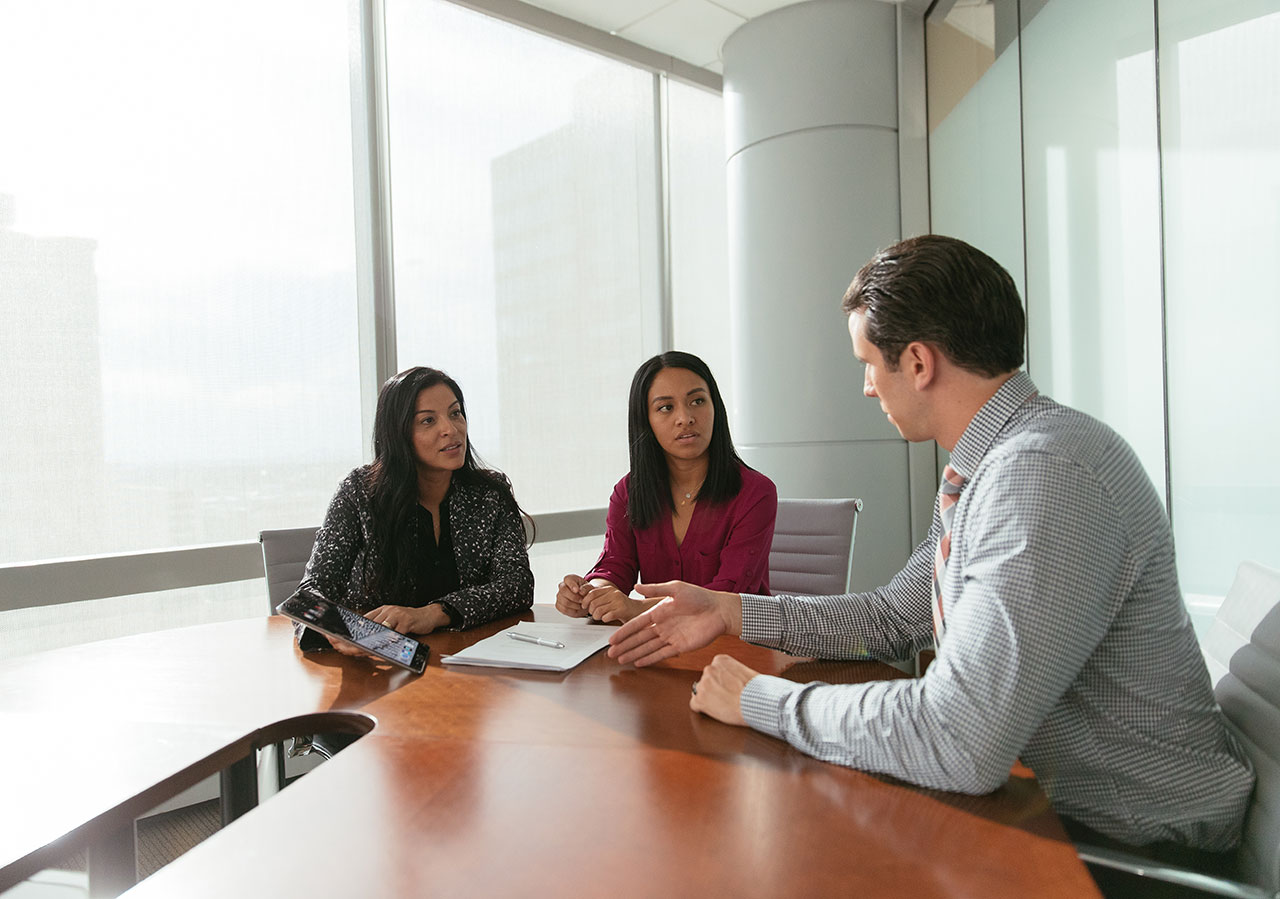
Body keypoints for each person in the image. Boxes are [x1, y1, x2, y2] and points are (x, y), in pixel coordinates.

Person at [607, 236, 1254, 856]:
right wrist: (729, 610)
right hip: (1047, 803)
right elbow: (893, 616)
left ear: (917, 362)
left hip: (1129, 844)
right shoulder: (988, 468)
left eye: (868, 364)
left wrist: (759, 699)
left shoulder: (1043, 473)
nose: (867, 388)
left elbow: (959, 736)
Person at [295, 366, 533, 654]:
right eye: (428, 420)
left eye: (455, 413)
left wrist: (432, 614)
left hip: (471, 661)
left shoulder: (490, 493)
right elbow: (309, 594)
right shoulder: (359, 491)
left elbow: (517, 585)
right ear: (398, 433)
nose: (451, 429)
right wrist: (345, 632)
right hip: (380, 665)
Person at [556, 351, 777, 624]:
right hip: (658, 646)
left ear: (715, 408)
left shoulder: (755, 493)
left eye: (697, 401)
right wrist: (591, 595)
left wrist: (636, 609)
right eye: (666, 407)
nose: (685, 418)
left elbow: (729, 595)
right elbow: (615, 566)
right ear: (644, 420)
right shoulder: (628, 492)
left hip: (736, 648)